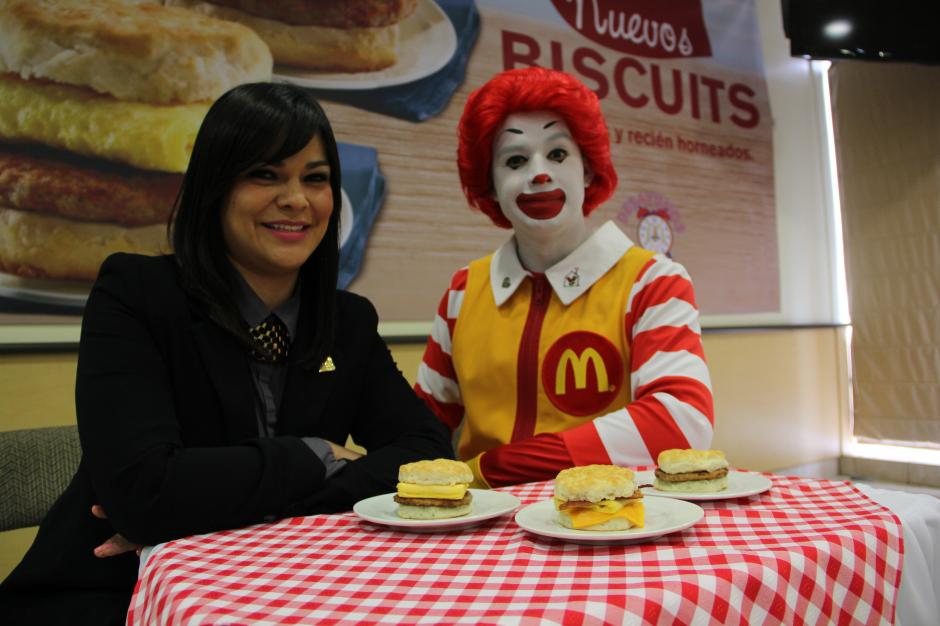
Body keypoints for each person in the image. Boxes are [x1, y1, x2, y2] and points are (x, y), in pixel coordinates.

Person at [0, 82, 453, 625]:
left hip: (286, 586)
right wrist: (315, 455)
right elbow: (144, 490)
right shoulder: (137, 294)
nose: (296, 199)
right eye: (265, 174)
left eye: (315, 178)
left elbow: (427, 453)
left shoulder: (347, 320)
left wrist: (230, 509)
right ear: (215, 186)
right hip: (113, 591)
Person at [415, 67, 714, 488]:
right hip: (485, 520)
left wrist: (492, 470)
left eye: (557, 154)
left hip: (610, 516)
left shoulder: (652, 281)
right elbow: (422, 423)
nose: (540, 174)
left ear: (587, 170)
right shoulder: (463, 292)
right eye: (515, 160)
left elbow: (680, 422)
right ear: (491, 185)